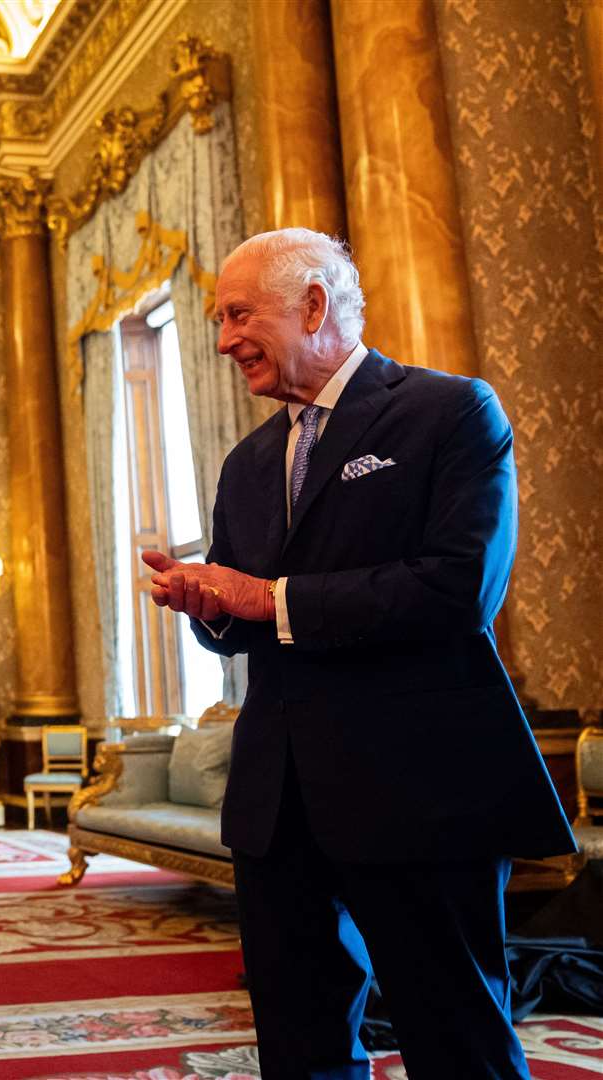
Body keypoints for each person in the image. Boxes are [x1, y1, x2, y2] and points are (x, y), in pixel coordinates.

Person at [143, 228, 575, 1078]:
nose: (225, 340)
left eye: (239, 315)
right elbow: (245, 621)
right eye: (217, 321)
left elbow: (459, 591)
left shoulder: (450, 412)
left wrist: (267, 599)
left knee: (457, 1036)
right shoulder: (246, 463)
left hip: (420, 785)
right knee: (299, 1043)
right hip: (277, 802)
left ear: (313, 305)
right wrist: (211, 608)